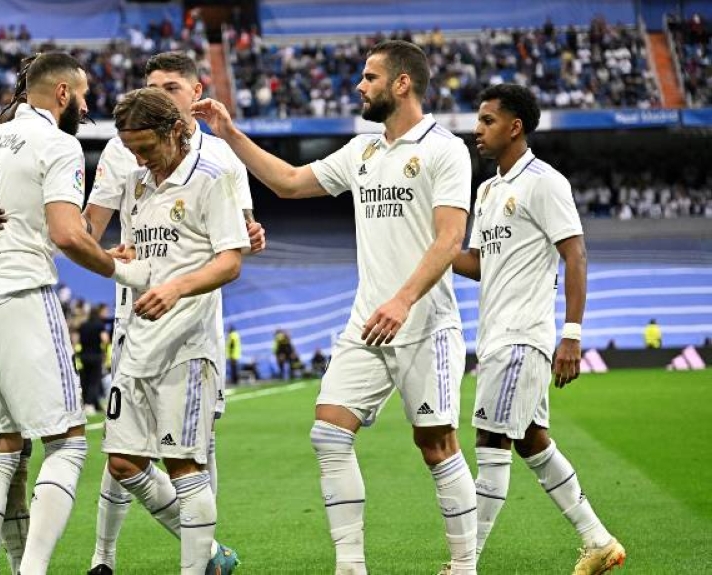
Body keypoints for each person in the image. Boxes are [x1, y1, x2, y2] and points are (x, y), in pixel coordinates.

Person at [194, 40, 477, 574]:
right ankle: (350, 566)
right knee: (328, 432)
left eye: (369, 77)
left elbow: (449, 239)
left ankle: (464, 566)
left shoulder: (445, 149)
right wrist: (229, 133)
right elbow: (289, 182)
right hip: (368, 321)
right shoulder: (362, 151)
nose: (359, 86)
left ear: (401, 83)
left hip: (426, 324)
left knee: (436, 444)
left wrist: (403, 299)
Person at [0, 51, 150, 575]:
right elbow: (68, 235)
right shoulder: (58, 144)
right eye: (84, 95)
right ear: (63, 93)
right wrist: (124, 271)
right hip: (21, 298)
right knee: (67, 442)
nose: (87, 107)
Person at [82, 51, 263, 575]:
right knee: (121, 461)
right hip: (137, 335)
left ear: (175, 130)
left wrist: (177, 288)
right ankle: (196, 553)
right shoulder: (137, 179)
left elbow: (230, 257)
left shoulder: (216, 171)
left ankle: (197, 566)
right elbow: (144, 259)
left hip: (187, 340)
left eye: (145, 149)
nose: (139, 159)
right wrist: (113, 263)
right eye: (131, 150)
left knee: (188, 463)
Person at [452, 83, 625, 575]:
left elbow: (576, 254)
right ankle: (599, 541)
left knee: (491, 441)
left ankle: (464, 565)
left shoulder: (545, 182)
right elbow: (480, 263)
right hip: (495, 336)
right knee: (531, 439)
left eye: (487, 120)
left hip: (522, 336)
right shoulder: (487, 191)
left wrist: (572, 334)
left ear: (515, 127)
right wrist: (434, 247)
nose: (477, 129)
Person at [78, 304, 110, 414]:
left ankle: (86, 403)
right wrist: (105, 350)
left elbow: (78, 339)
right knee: (94, 381)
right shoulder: (99, 325)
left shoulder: (83, 325)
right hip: (95, 356)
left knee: (85, 380)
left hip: (84, 356)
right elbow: (105, 339)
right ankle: (89, 404)